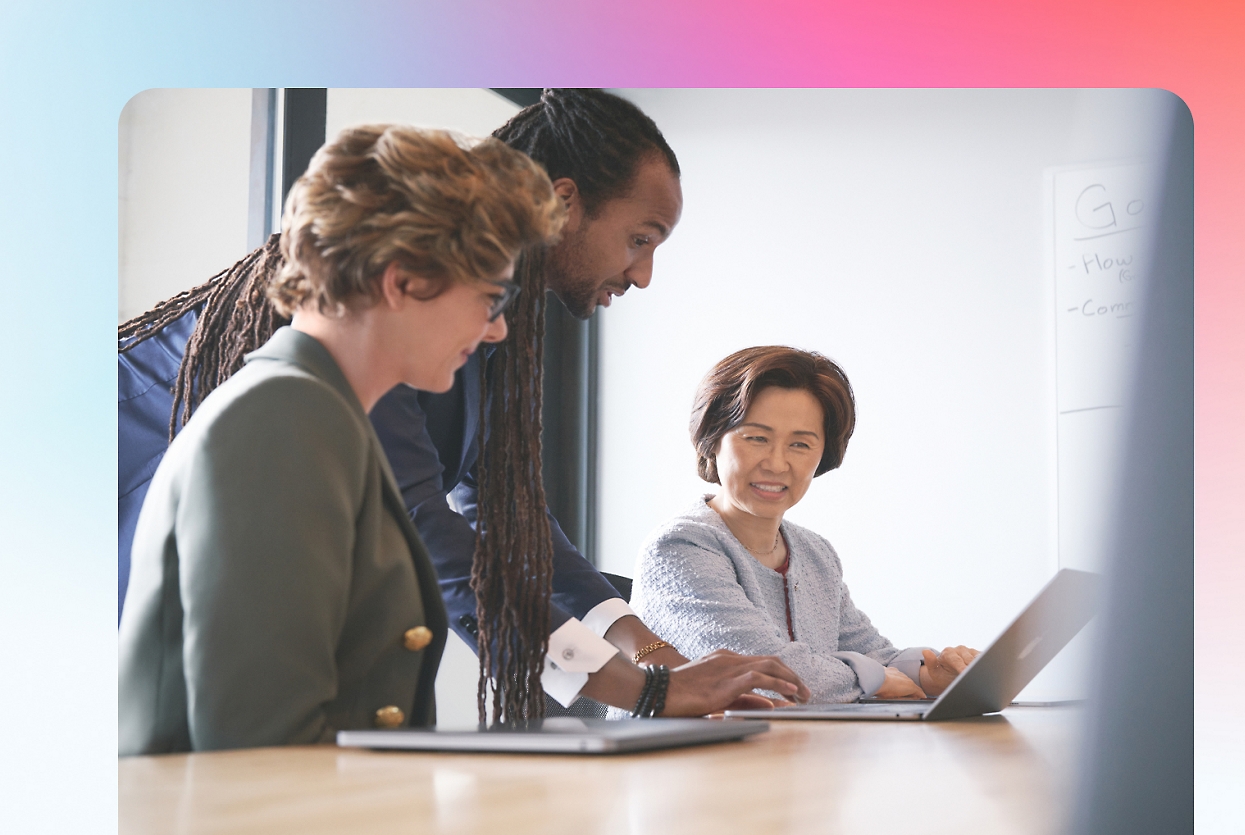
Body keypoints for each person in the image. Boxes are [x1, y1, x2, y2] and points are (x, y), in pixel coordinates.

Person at [118, 89, 809, 724]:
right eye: (640, 238)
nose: (642, 274)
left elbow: (508, 517)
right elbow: (432, 540)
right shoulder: (306, 391)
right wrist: (645, 689)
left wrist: (641, 645)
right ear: (402, 282)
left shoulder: (454, 334)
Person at [120, 125, 561, 753]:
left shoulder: (312, 412)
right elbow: (262, 754)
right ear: (402, 279)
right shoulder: (283, 423)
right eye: (491, 299)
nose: (496, 332)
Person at [632, 346, 980, 704]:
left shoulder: (814, 553)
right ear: (712, 439)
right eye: (756, 438)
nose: (777, 463)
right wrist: (874, 678)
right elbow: (764, 675)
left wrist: (933, 675)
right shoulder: (679, 547)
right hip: (685, 756)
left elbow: (871, 655)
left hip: (786, 751)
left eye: (800, 444)